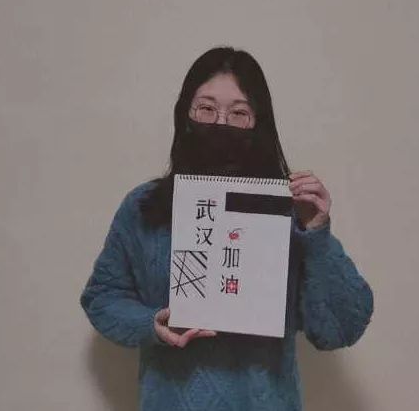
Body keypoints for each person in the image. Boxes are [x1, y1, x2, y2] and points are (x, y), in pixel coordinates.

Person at [79, 46, 374, 411]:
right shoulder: (143, 206)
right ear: (185, 115)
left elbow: (341, 328)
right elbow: (102, 297)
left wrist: (316, 232)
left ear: (258, 123)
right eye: (206, 108)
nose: (220, 123)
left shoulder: (286, 210)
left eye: (239, 113)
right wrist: (150, 323)